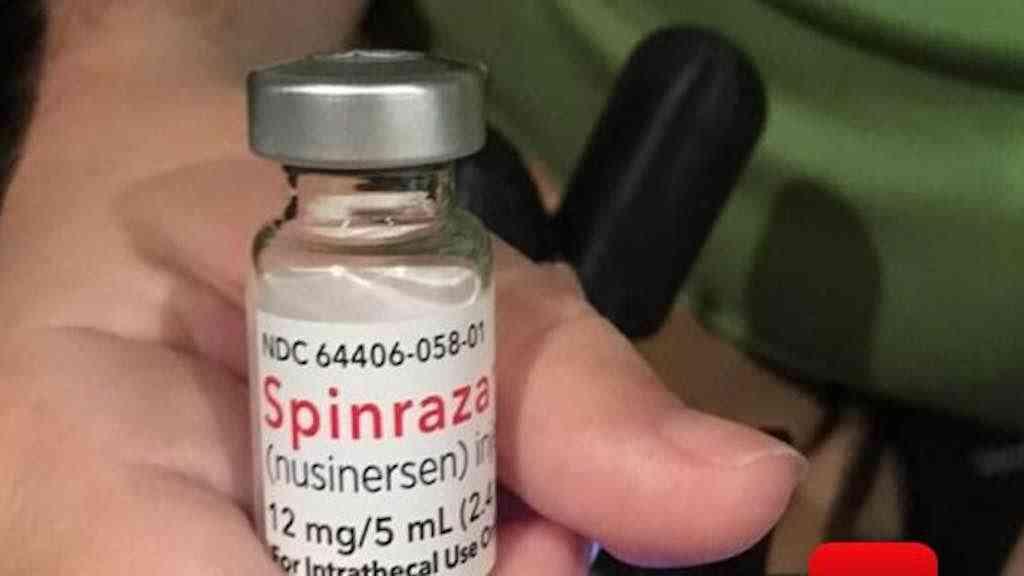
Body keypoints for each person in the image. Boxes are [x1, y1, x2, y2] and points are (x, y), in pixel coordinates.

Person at [0, 2, 805, 574]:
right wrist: (126, 86)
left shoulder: (445, 254)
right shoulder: (283, 258)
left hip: (705, 331)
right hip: (526, 166)